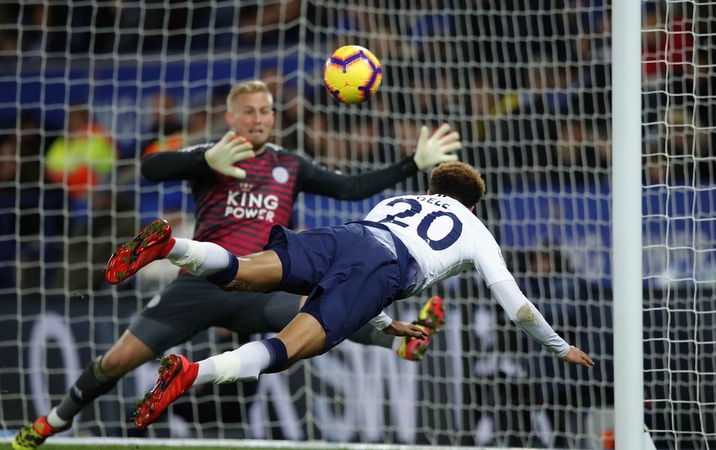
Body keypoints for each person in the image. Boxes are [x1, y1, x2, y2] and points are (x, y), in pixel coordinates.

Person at [12, 80, 460, 450]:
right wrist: (204, 158)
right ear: (231, 118)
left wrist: (411, 164)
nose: (260, 119)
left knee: (319, 305)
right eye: (249, 112)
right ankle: (54, 421)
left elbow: (350, 188)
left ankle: (401, 345)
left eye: (266, 111)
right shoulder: (212, 156)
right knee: (116, 362)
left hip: (261, 285)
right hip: (199, 287)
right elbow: (151, 168)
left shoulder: (290, 164)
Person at [103, 161, 595, 429]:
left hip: (347, 234)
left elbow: (350, 273)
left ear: (431, 187)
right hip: (385, 266)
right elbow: (520, 308)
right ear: (471, 203)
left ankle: (173, 246)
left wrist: (385, 324)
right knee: (288, 348)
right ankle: (193, 372)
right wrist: (560, 347)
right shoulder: (476, 229)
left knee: (241, 271)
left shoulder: (398, 201)